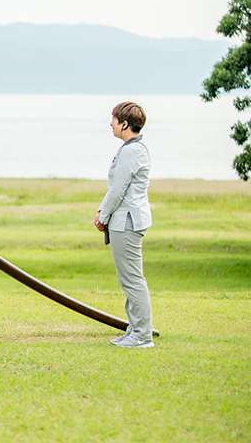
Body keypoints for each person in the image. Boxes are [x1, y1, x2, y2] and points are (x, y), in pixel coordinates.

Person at [94, 101, 154, 348]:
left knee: (131, 279)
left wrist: (102, 214)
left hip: (127, 221)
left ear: (125, 124)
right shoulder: (134, 148)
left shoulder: (131, 151)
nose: (111, 123)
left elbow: (117, 189)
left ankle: (141, 336)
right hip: (129, 219)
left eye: (114, 119)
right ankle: (135, 329)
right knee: (128, 278)